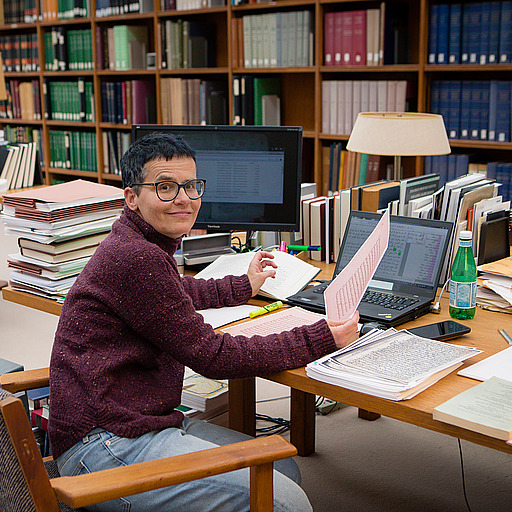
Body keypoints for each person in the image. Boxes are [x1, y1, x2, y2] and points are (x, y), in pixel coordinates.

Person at [49, 132, 360, 511]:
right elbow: (214, 356)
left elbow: (176, 293)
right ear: (131, 197)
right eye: (165, 187)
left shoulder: (136, 244)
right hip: (105, 443)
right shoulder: (136, 259)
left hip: (130, 421)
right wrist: (318, 338)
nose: (183, 198)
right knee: (287, 501)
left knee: (282, 469)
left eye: (191, 186)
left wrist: (243, 285)